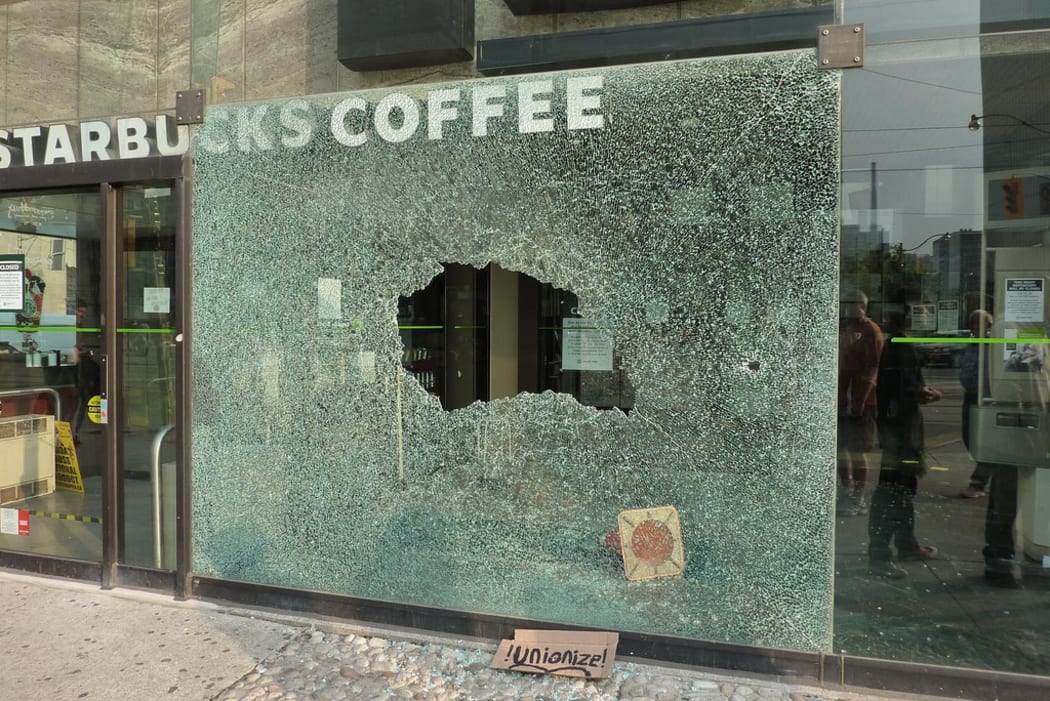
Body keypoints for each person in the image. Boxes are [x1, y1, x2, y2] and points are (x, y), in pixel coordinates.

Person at [868, 311, 942, 578]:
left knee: (901, 489)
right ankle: (880, 554)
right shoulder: (901, 346)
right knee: (894, 490)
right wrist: (927, 394)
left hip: (898, 431)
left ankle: (904, 544)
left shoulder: (895, 344)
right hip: (901, 433)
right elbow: (904, 388)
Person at [837, 289, 884, 516]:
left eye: (849, 303)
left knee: (857, 449)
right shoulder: (846, 328)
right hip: (843, 399)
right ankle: (846, 490)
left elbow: (872, 368)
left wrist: (860, 400)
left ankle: (858, 496)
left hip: (861, 401)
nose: (844, 308)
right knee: (841, 448)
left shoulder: (869, 331)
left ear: (862, 305)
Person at [959, 310, 993, 499]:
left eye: (979, 323)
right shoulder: (971, 344)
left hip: (985, 397)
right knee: (968, 436)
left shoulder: (992, 344)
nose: (975, 327)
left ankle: (978, 481)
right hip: (969, 395)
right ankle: (986, 471)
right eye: (973, 323)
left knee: (983, 441)